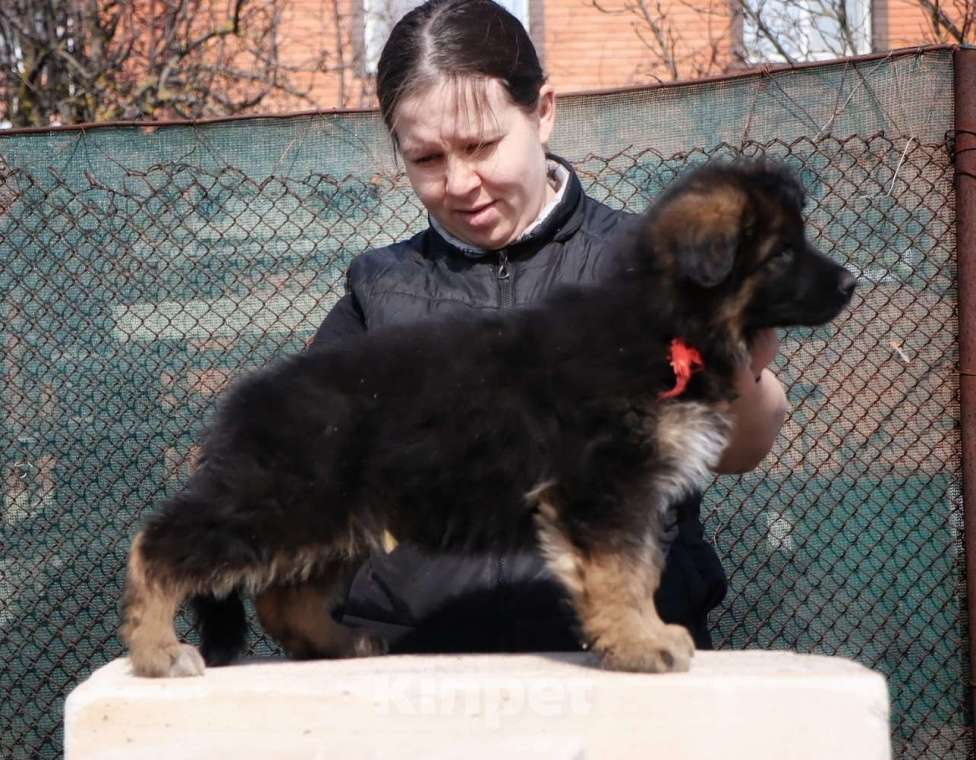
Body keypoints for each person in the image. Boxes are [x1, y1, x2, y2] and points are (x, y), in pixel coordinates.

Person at [313, 0, 787, 653]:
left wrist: (736, 363)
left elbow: (743, 447)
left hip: (621, 660)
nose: (460, 183)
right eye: (426, 159)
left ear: (543, 112)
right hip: (415, 663)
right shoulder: (380, 288)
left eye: (481, 146)